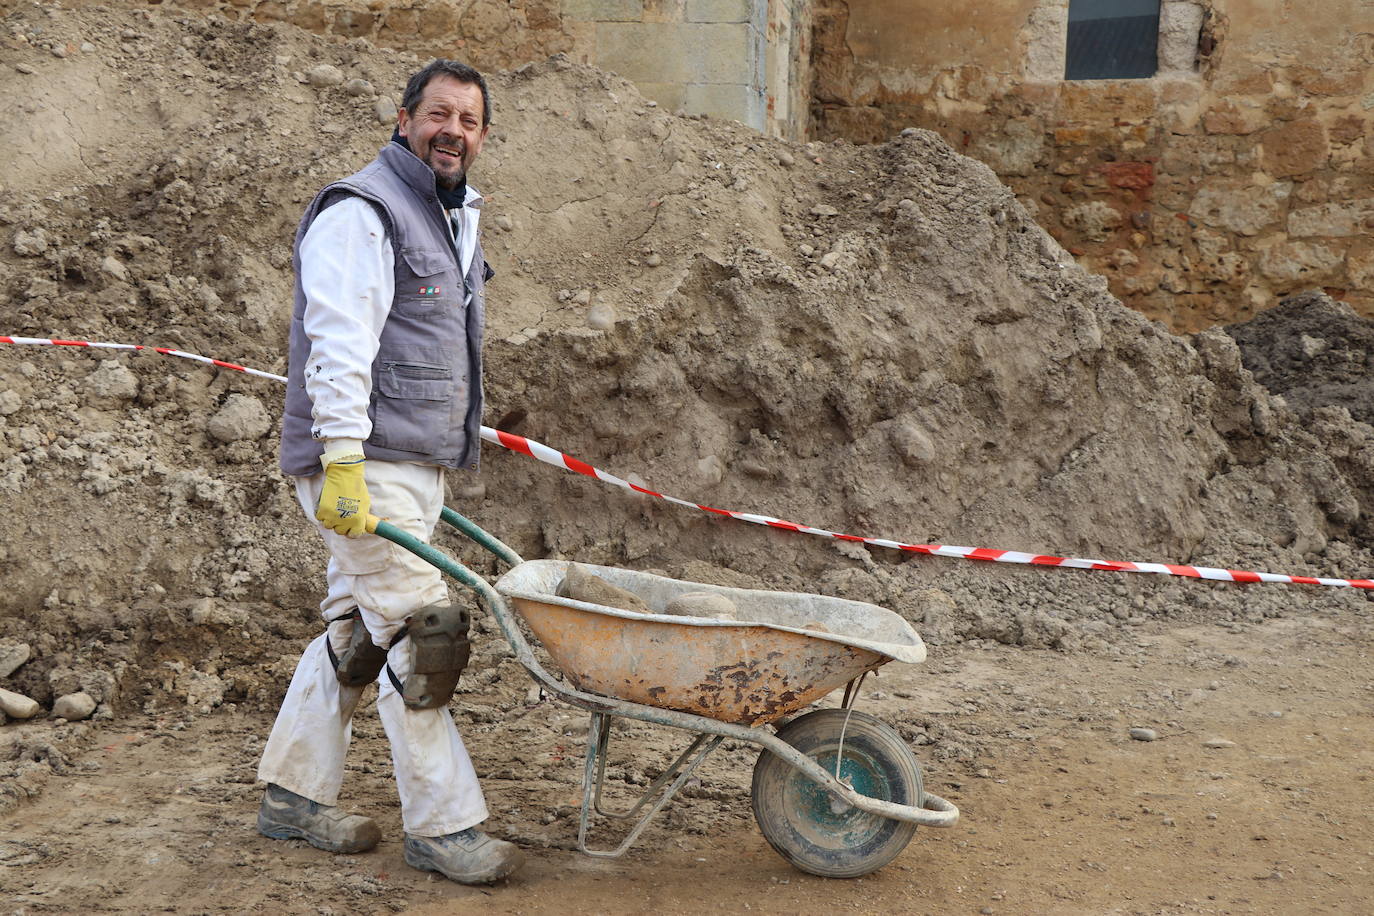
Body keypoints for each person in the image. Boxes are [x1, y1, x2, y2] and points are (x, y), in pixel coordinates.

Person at [255, 59, 524, 885]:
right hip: (362, 465)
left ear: (481, 135)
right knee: (421, 629)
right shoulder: (363, 211)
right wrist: (339, 463)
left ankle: (291, 795)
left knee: (356, 627)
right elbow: (338, 344)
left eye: (469, 120)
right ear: (404, 120)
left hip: (413, 465)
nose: (454, 131)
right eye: (438, 114)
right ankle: (444, 828)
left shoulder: (452, 212)